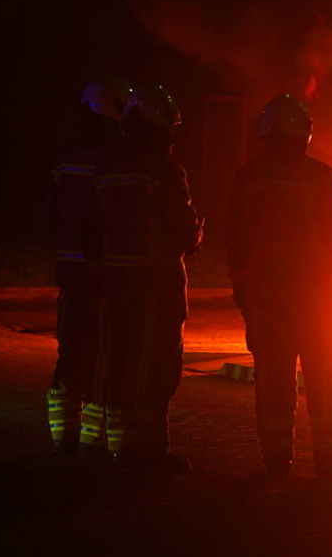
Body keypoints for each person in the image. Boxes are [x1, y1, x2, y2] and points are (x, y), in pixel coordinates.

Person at [226, 94, 332, 479]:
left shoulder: (248, 176)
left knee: (272, 376)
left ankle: (275, 459)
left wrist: (241, 285)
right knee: (327, 375)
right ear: (304, 133)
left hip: (267, 293)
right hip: (315, 294)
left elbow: (235, 238)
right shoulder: (318, 176)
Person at [83, 84, 203, 473]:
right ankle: (148, 451)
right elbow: (182, 232)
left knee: (115, 359)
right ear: (158, 125)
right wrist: (198, 231)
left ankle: (105, 443)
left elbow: (90, 233)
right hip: (157, 283)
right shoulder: (164, 171)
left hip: (115, 280)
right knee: (156, 363)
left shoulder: (105, 168)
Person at [46, 77, 129, 455]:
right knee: (103, 356)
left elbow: (53, 215)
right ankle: (93, 442)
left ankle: (63, 439)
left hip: (71, 276)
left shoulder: (65, 159)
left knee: (71, 354)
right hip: (104, 277)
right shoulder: (114, 162)